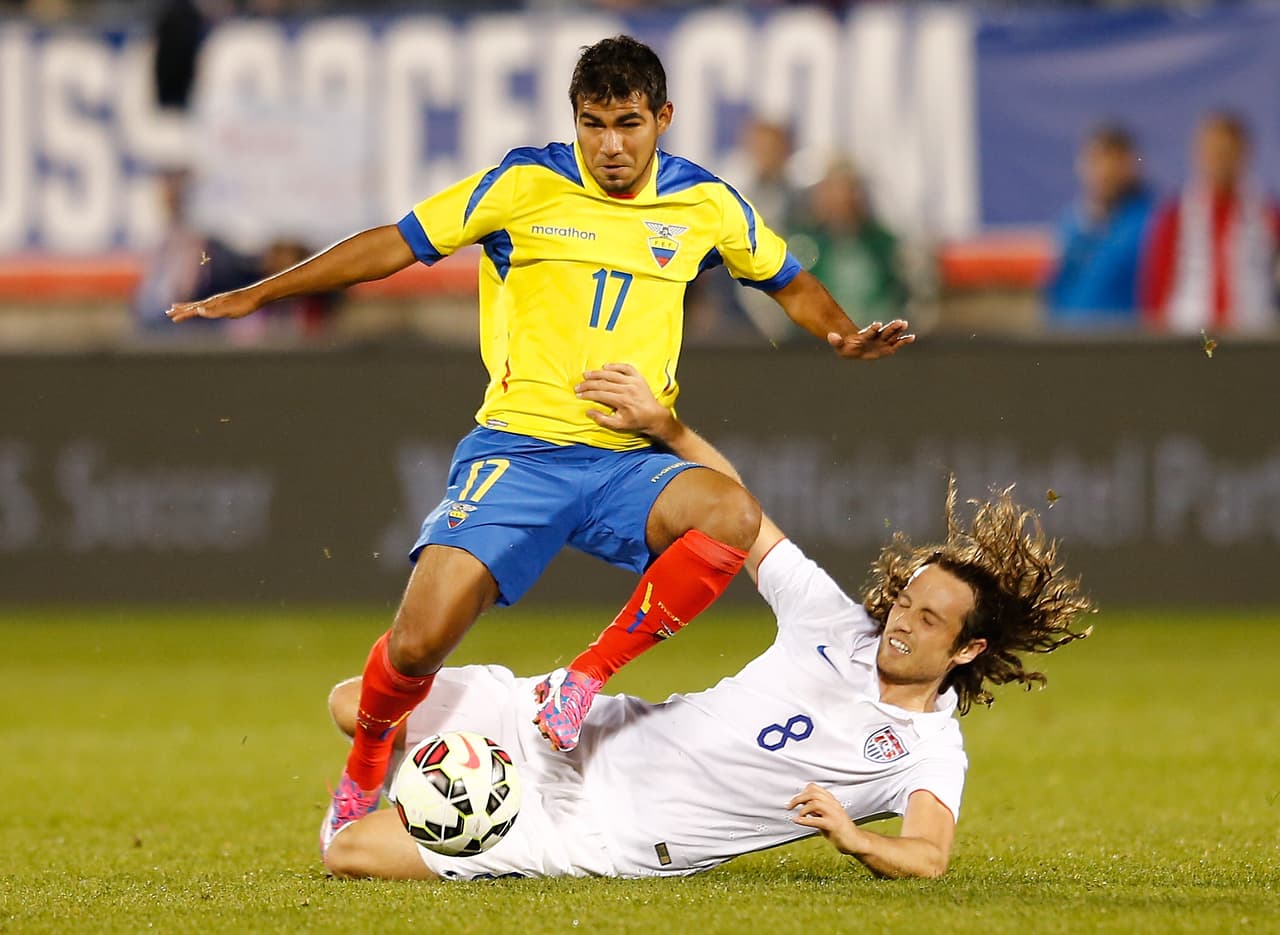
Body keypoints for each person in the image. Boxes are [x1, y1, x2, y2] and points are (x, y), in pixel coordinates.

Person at [164, 34, 914, 848]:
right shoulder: (526, 183)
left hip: (627, 461)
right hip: (516, 453)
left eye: (629, 123)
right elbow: (397, 240)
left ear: (663, 117)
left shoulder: (705, 202)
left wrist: (838, 333)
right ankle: (367, 759)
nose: (611, 145)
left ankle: (583, 677)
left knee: (730, 513)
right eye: (594, 124)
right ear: (576, 120)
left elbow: (786, 278)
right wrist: (263, 293)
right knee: (416, 643)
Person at [319, 363, 1093, 882]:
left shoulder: (928, 749)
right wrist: (668, 427)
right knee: (356, 702)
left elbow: (929, 854)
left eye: (929, 621)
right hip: (588, 728)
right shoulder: (833, 619)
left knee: (348, 852)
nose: (901, 623)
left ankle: (438, 793)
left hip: (604, 829)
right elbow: (738, 513)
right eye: (905, 602)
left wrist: (856, 838)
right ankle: (420, 775)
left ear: (969, 647)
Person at [1141, 112, 1280, 333]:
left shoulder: (1266, 214)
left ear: (1245, 154)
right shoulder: (1175, 215)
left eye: (1228, 153)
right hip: (1189, 342)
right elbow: (1156, 287)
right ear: (1198, 154)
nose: (1221, 161)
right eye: (1213, 152)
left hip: (1251, 338)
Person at [1045, 124, 1155, 326]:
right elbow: (1056, 292)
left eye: (1112, 161)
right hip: (1067, 348)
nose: (1104, 173)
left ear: (1129, 165)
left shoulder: (1151, 225)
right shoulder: (1071, 225)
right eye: (1095, 161)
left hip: (1127, 347)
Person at [787, 159, 908, 328]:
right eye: (832, 190)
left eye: (847, 190)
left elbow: (900, 295)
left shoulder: (884, 246)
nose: (841, 199)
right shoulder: (803, 245)